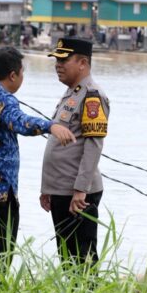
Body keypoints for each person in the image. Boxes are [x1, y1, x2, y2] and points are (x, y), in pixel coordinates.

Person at [0, 47, 75, 271]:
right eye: (22, 73)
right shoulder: (3, 98)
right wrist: (51, 125)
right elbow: (18, 122)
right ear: (13, 75)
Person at [40, 37, 109, 267]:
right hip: (61, 189)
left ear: (82, 63)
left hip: (77, 193)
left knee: (82, 257)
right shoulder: (72, 93)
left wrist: (81, 189)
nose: (58, 64)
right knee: (67, 257)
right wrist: (48, 188)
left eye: (64, 59)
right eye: (56, 59)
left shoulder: (91, 95)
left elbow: (93, 145)